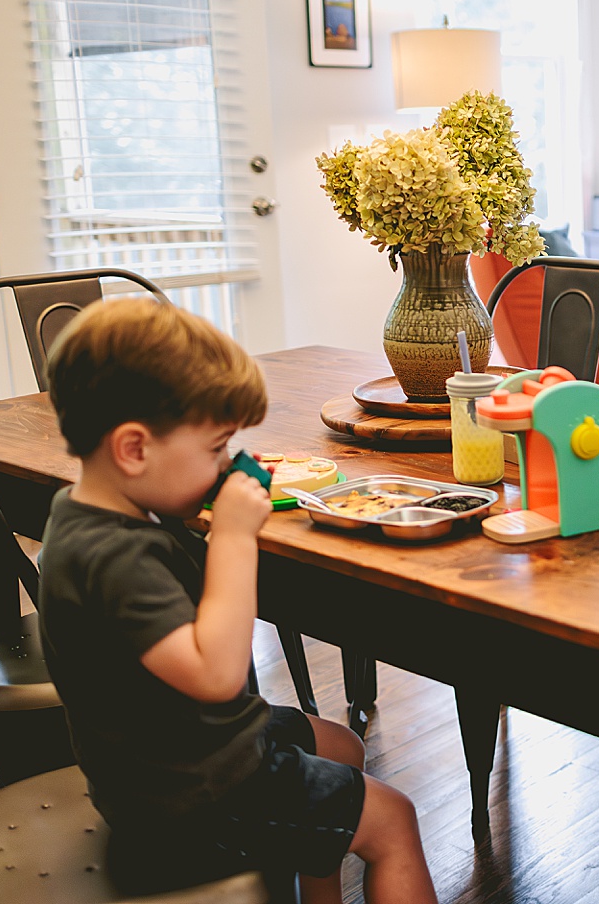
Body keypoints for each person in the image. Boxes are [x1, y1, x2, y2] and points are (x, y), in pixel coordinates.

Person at [37, 297, 437, 904]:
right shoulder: (114, 557)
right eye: (215, 448)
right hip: (188, 793)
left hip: (175, 749)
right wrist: (230, 539)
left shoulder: (101, 514)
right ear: (134, 450)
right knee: (393, 820)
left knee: (343, 747)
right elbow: (218, 676)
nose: (224, 463)